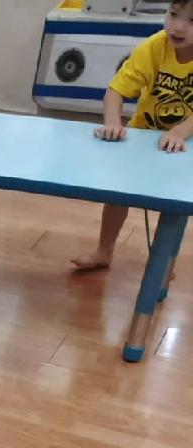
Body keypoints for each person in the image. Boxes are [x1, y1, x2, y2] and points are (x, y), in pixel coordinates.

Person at [72, 0, 193, 270]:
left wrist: (181, 131)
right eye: (173, 14)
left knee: (175, 203)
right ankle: (105, 251)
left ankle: (166, 263)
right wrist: (113, 123)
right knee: (118, 193)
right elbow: (115, 92)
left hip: (186, 144)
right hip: (144, 135)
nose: (179, 26)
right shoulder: (153, 46)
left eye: (192, 21)